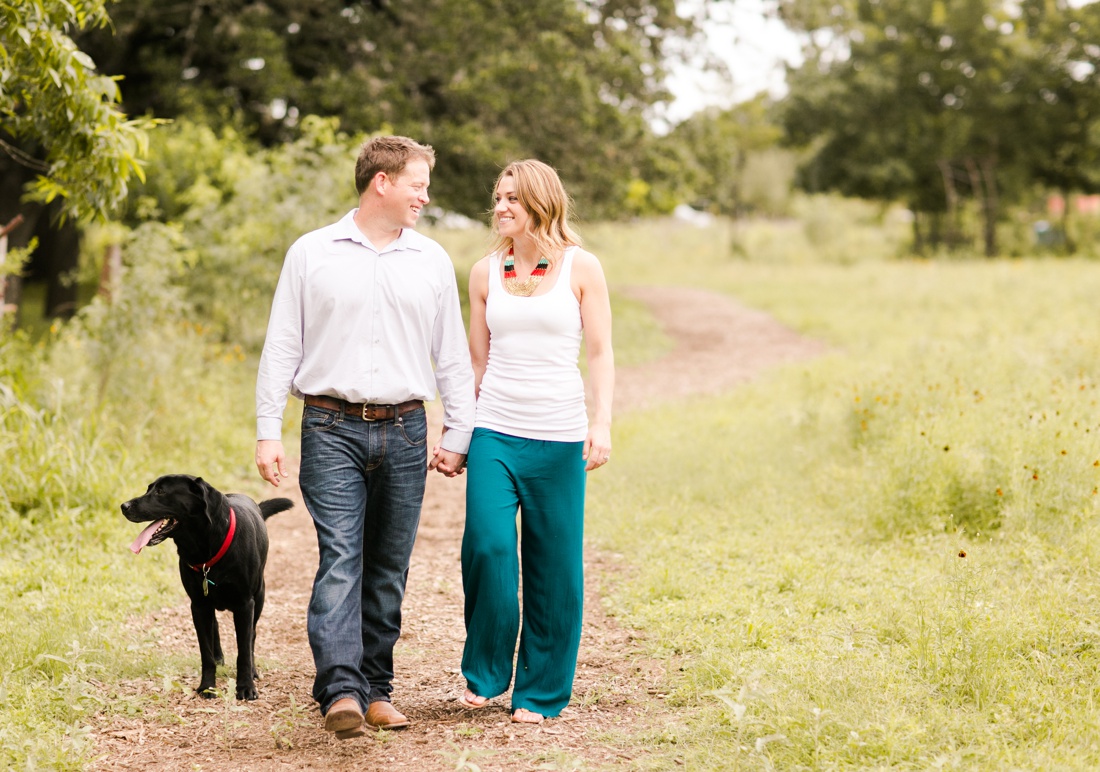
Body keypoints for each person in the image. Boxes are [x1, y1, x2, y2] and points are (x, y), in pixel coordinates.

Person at [254, 135, 475, 739]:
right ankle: (341, 690)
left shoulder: (429, 260)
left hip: (406, 429)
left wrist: (460, 429)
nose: (425, 196)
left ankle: (378, 687)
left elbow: (450, 353)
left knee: (388, 566)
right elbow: (282, 346)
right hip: (329, 428)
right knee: (342, 558)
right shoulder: (311, 253)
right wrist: (267, 430)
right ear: (382, 181)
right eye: (417, 183)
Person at [456, 159, 614, 724]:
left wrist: (602, 423)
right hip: (495, 430)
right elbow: (476, 361)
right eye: (497, 197)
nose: (500, 208)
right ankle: (487, 671)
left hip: (559, 434)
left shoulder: (580, 267)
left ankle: (540, 692)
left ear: (541, 203)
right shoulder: (482, 272)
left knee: (554, 566)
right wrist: (458, 431)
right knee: (488, 548)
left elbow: (599, 352)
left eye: (512, 200)